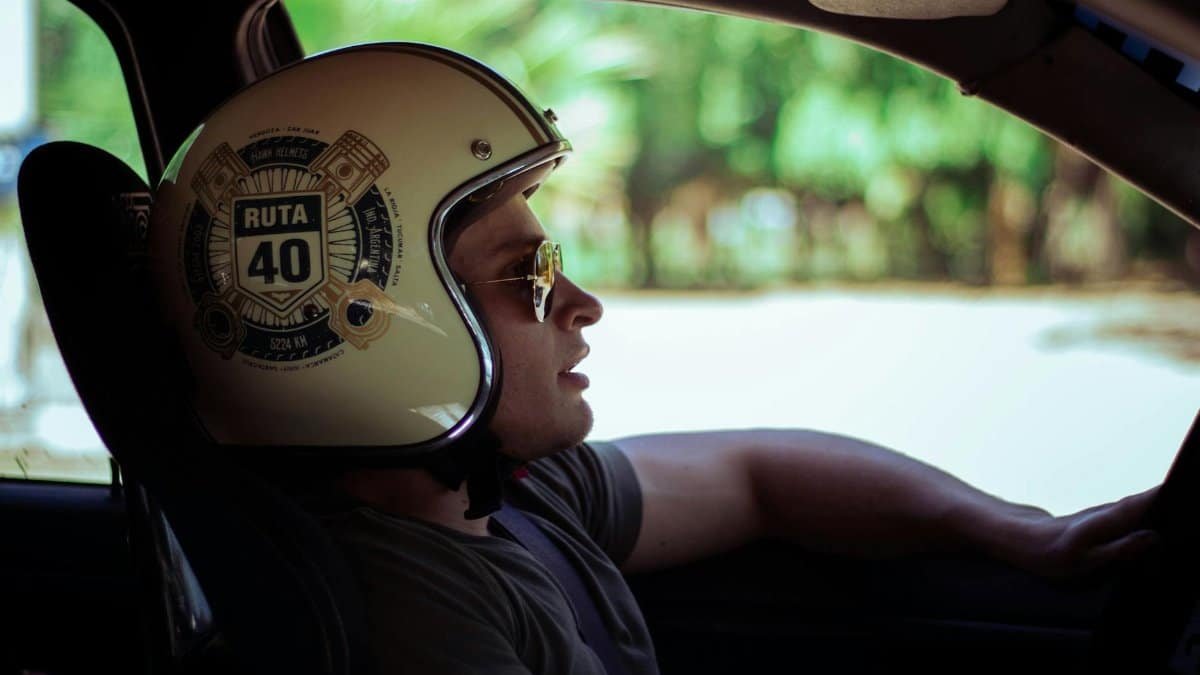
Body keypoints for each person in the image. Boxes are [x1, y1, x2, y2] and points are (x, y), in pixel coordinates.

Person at [148, 42, 1159, 675]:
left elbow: (756, 475)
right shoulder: (414, 617)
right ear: (388, 319)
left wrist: (1012, 531)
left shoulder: (507, 496)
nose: (583, 305)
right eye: (527, 273)